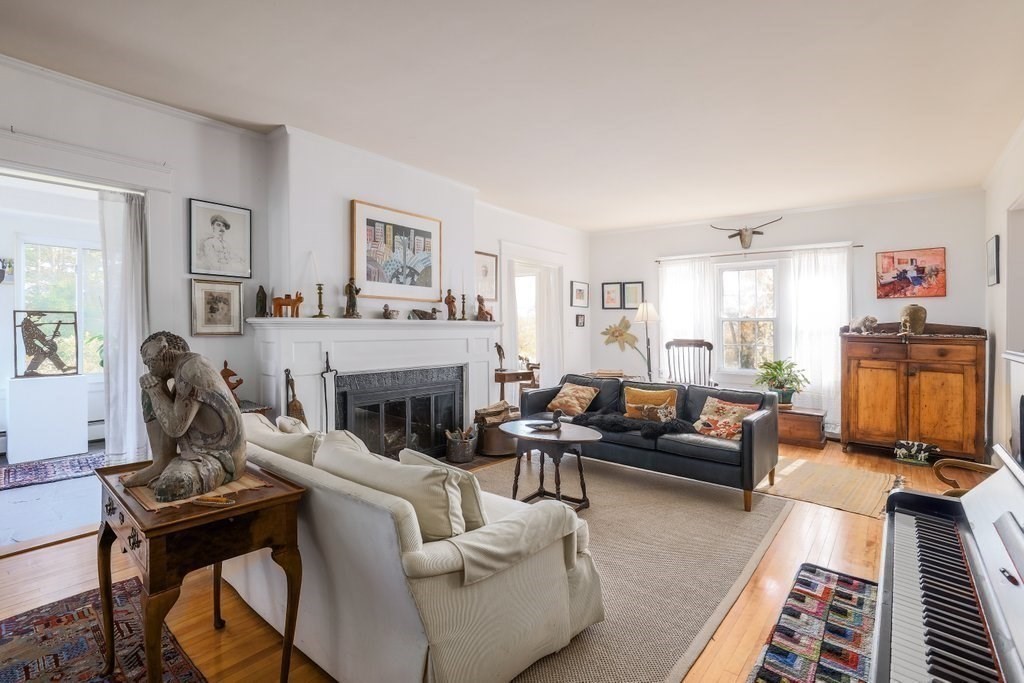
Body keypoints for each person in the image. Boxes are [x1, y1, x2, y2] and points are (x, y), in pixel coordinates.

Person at [121, 331, 245, 502]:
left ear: (164, 351)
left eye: (149, 362)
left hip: (221, 457)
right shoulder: (182, 369)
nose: (149, 368)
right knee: (148, 389)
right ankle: (161, 462)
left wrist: (156, 391)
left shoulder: (192, 369)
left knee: (168, 488)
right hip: (196, 452)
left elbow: (175, 428)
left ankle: (170, 469)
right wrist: (153, 390)